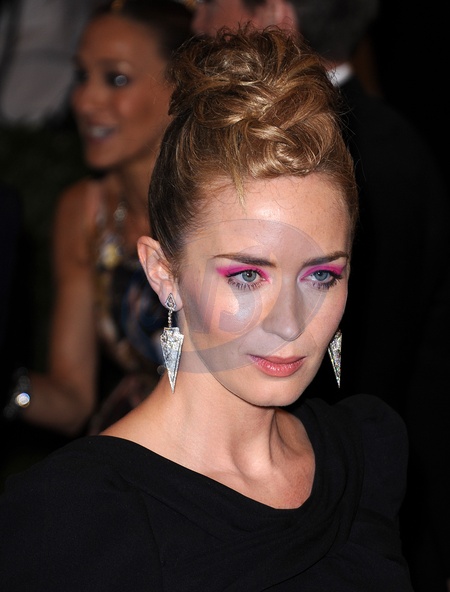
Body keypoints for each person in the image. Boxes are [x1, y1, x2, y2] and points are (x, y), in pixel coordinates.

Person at [0, 26, 413, 590]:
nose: (289, 323)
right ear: (163, 274)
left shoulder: (364, 455)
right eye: (247, 275)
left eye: (321, 275)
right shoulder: (74, 518)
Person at [192, 2, 450, 591]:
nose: (198, 18)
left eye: (322, 276)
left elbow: (380, 363)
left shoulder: (370, 154)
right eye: (248, 274)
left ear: (276, 11)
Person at [1, 0, 194, 438]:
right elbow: (72, 401)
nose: (85, 100)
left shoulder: (228, 205)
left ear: (182, 88)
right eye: (81, 76)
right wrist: (9, 387)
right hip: (135, 437)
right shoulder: (86, 212)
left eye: (116, 78)